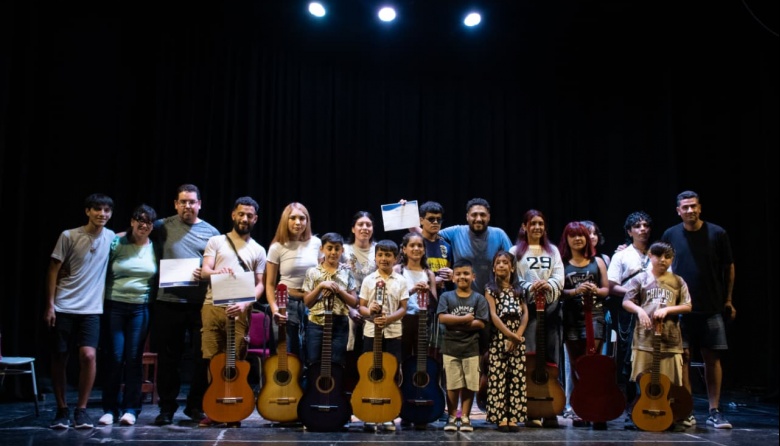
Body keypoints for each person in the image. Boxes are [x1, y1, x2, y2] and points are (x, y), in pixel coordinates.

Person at [660, 190, 735, 429]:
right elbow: (662, 267)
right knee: (683, 359)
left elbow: (728, 267)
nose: (690, 210)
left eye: (693, 206)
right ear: (678, 211)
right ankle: (686, 409)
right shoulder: (670, 234)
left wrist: (728, 299)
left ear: (700, 208)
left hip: (711, 307)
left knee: (712, 359)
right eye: (685, 207)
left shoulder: (717, 233)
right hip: (680, 309)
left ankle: (715, 410)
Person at [151, 184, 220, 426]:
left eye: (191, 202)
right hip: (168, 302)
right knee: (169, 358)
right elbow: (136, 234)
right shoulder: (161, 226)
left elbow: (217, 264)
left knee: (202, 357)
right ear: (175, 204)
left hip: (200, 303)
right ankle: (167, 407)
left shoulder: (212, 232)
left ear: (199, 204)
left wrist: (207, 271)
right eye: (183, 202)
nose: (187, 206)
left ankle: (195, 406)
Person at [45, 193, 115, 430]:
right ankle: (62, 409)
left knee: (88, 356)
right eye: (97, 209)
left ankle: (81, 410)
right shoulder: (69, 235)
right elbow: (53, 270)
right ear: (87, 211)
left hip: (91, 309)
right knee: (60, 356)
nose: (102, 214)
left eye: (107, 210)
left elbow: (129, 235)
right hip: (64, 305)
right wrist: (50, 305)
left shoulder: (111, 237)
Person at [199, 196, 266, 427]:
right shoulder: (216, 241)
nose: (245, 218)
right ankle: (214, 408)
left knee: (236, 359)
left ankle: (234, 407)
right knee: (213, 359)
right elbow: (204, 271)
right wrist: (217, 273)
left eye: (249, 215)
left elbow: (260, 285)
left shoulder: (258, 250)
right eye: (241, 214)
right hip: (212, 306)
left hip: (240, 309)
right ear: (233, 215)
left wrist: (245, 304)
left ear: (255, 219)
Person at [98, 204, 158, 427]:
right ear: (132, 221)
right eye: (140, 220)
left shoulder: (155, 247)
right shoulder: (117, 242)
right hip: (114, 306)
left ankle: (131, 409)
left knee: (134, 358)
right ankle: (110, 409)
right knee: (115, 357)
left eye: (149, 222)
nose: (144, 225)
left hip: (140, 308)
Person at [622, 241, 692, 430]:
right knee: (642, 379)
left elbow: (687, 305)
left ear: (672, 259)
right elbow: (627, 301)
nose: (662, 260)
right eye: (658, 255)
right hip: (644, 339)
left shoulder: (678, 281)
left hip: (670, 339)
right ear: (650, 256)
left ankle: (670, 416)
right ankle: (636, 414)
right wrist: (640, 311)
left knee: (669, 382)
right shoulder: (641, 278)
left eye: (667, 257)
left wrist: (668, 310)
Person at [510, 209, 564, 428]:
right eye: (533, 223)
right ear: (524, 226)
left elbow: (559, 276)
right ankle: (531, 408)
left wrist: (548, 285)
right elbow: (512, 278)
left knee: (551, 357)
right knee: (530, 357)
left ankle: (551, 408)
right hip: (527, 309)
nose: (537, 227)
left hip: (550, 309)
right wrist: (530, 287)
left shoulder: (553, 251)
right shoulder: (515, 251)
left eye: (541, 223)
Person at [558, 221, 610, 429]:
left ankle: (596, 409)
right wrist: (575, 291)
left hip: (594, 316)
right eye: (573, 235)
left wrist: (594, 290)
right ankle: (580, 409)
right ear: (567, 239)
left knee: (592, 364)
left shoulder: (598, 261)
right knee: (576, 364)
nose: (578, 239)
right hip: (571, 318)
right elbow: (559, 291)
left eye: (581, 235)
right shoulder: (561, 262)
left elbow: (606, 290)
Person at [606, 210, 653, 430]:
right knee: (629, 360)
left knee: (651, 358)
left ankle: (653, 403)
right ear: (629, 231)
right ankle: (632, 408)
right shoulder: (621, 256)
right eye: (637, 226)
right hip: (629, 313)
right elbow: (612, 285)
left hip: (654, 311)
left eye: (646, 225)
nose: (642, 229)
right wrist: (635, 293)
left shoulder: (657, 253)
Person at [356, 239, 409, 431]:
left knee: (391, 372)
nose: (384, 258)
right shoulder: (369, 280)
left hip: (393, 333)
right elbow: (361, 307)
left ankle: (389, 414)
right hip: (371, 332)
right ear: (375, 257)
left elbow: (403, 308)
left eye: (388, 255)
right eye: (380, 255)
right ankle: (370, 411)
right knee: (370, 371)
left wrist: (388, 319)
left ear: (396, 258)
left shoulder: (401, 281)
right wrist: (370, 311)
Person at [265, 202, 322, 368]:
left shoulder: (316, 243)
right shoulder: (277, 247)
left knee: (312, 351)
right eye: (293, 218)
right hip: (286, 302)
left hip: (312, 301)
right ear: (286, 220)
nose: (298, 222)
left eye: (302, 218)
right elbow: (270, 284)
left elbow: (321, 275)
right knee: (288, 352)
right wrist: (275, 309)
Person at [436, 259, 489, 433]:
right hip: (450, 347)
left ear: (473, 276)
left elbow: (480, 323)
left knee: (469, 384)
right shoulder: (446, 297)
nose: (462, 277)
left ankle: (465, 417)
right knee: (452, 384)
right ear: (452, 277)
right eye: (458, 274)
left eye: (466, 273)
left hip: (471, 348)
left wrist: (455, 323)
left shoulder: (479, 298)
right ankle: (452, 416)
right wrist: (465, 319)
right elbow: (442, 318)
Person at [484, 251, 528, 432]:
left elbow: (525, 314)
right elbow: (493, 315)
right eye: (498, 262)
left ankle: (513, 417)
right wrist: (509, 335)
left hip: (517, 338)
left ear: (512, 267)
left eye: (505, 262)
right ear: (494, 268)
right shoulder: (490, 289)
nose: (501, 265)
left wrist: (517, 336)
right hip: (499, 338)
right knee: (498, 377)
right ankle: (500, 417)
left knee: (516, 377)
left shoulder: (519, 290)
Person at [302, 232, 358, 368]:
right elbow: (307, 302)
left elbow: (354, 302)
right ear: (322, 249)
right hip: (316, 323)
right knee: (314, 363)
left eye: (337, 248)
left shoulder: (347, 272)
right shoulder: (312, 272)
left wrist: (338, 290)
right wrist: (321, 286)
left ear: (342, 250)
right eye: (329, 248)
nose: (333, 252)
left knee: (337, 364)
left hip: (340, 323)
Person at [341, 211, 378, 392]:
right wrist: (350, 309)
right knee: (349, 352)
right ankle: (348, 392)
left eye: (368, 225)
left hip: (372, 307)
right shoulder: (343, 250)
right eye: (360, 224)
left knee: (369, 352)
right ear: (353, 229)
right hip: (348, 306)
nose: (364, 228)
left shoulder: (379, 250)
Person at [394, 232, 438, 364]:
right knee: (402, 358)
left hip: (423, 320)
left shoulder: (428, 273)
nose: (416, 248)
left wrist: (427, 291)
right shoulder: (397, 270)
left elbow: (435, 304)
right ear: (404, 249)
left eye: (420, 246)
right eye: (412, 245)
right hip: (402, 319)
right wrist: (413, 290)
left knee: (421, 359)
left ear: (424, 250)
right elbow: (393, 300)